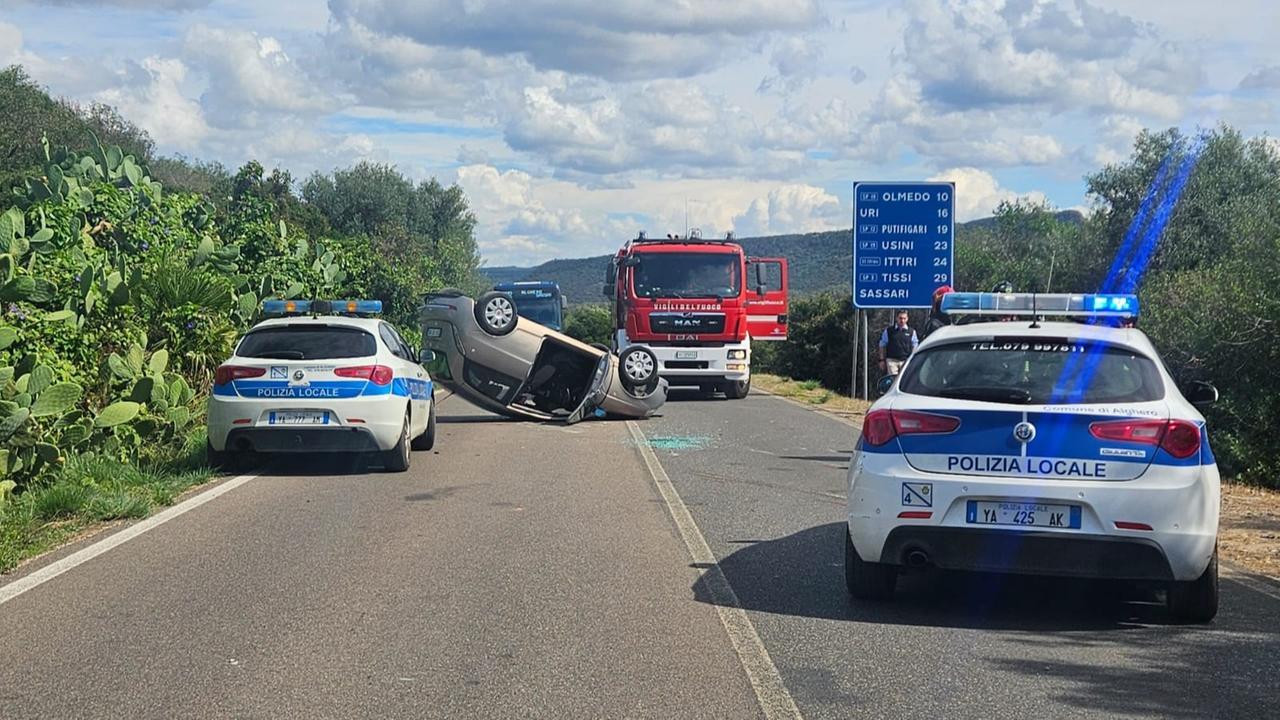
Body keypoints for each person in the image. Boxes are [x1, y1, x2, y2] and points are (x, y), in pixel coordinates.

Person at [878, 310, 918, 375]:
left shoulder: (912, 332)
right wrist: (881, 360)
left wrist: (912, 359)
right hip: (892, 361)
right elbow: (882, 345)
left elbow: (915, 345)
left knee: (904, 381)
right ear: (896, 318)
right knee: (893, 381)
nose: (902, 321)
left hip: (906, 361)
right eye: (900, 318)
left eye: (904, 318)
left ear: (907, 319)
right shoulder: (889, 331)